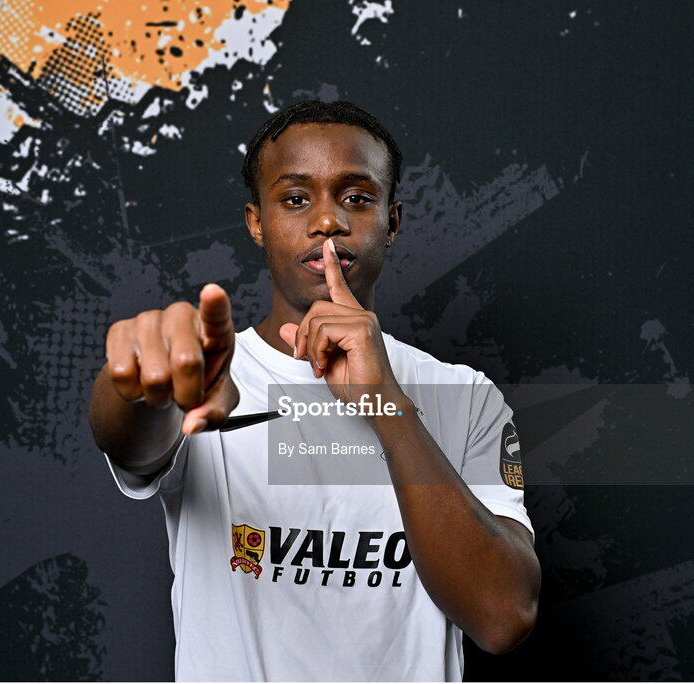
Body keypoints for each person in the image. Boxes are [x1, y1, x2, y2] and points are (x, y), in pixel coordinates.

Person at [87, 100, 541, 681]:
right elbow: (125, 435)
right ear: (257, 223)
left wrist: (386, 404)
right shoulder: (210, 374)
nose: (327, 221)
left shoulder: (465, 396)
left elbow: (503, 618)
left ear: (392, 221)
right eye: (296, 199)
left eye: (357, 197)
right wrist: (139, 382)